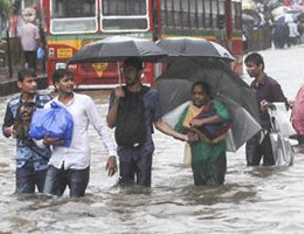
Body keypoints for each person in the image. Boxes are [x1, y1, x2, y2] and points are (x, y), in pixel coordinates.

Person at [106, 57, 188, 187]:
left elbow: (159, 122)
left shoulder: (151, 94)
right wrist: (117, 100)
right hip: (124, 150)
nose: (127, 75)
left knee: (144, 189)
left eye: (131, 71)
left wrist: (182, 136)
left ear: (140, 72)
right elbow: (110, 124)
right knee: (125, 189)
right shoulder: (117, 93)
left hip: (144, 148)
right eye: (125, 71)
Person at [39, 68, 118, 197]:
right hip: (56, 161)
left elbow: (101, 128)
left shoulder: (84, 101)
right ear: (57, 84)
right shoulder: (49, 107)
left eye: (72, 80)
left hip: (79, 162)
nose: (70, 83)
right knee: (47, 201)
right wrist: (45, 142)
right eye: (66, 80)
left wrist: (112, 154)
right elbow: (39, 136)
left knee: (77, 203)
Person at [2, 69, 53, 193]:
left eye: (35, 81)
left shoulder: (47, 101)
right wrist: (9, 130)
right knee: (23, 201)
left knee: (49, 200)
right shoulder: (13, 104)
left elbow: (56, 125)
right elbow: (5, 128)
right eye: (29, 82)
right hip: (23, 162)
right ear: (20, 84)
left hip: (44, 160)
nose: (34, 84)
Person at [174, 81, 232, 186]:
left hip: (215, 155)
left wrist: (203, 121)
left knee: (215, 187)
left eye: (201, 94)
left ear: (207, 95)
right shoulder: (189, 109)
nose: (197, 96)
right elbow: (178, 129)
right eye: (194, 93)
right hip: (198, 157)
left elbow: (225, 116)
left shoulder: (215, 105)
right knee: (199, 189)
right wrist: (187, 135)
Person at [244, 52, 288, 166]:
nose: (248, 70)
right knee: (251, 165)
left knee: (270, 165)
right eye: (247, 67)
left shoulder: (272, 85)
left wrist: (269, 105)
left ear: (260, 66)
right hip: (254, 130)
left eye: (250, 66)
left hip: (268, 131)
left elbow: (284, 106)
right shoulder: (252, 86)